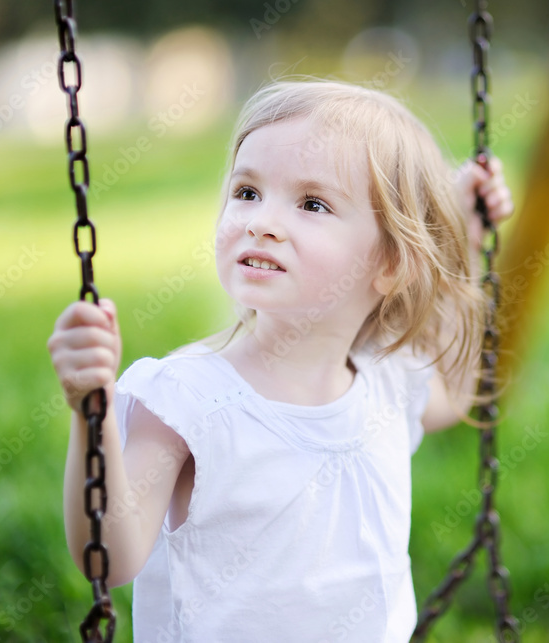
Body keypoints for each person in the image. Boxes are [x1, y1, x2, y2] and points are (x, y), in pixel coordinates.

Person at [47, 79, 513, 642]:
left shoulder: (386, 383)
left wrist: (462, 234)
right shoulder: (188, 397)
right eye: (246, 192)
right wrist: (87, 412)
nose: (260, 221)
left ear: (392, 263)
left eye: (312, 203)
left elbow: (454, 397)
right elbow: (109, 557)